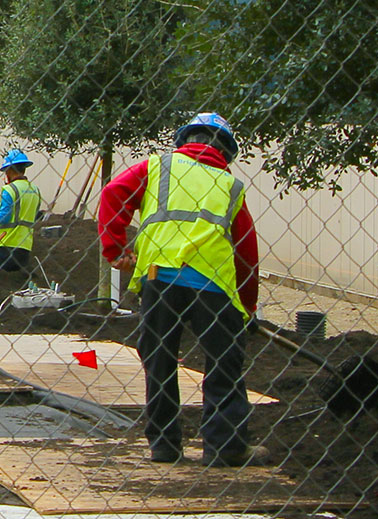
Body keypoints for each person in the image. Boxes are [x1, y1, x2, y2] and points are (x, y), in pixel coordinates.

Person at [97, 112, 267, 467]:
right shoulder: (230, 186)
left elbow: (113, 193)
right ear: (226, 151)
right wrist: (247, 307)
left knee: (160, 362)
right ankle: (225, 447)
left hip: (161, 280)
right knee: (224, 364)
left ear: (184, 140)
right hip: (214, 286)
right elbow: (246, 253)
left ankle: (164, 446)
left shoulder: (156, 167)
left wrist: (116, 249)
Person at [0, 149, 41, 275]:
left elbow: (4, 217)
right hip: (25, 245)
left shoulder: (10, 190)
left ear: (9, 170)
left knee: (2, 281)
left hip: (6, 243)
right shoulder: (35, 190)